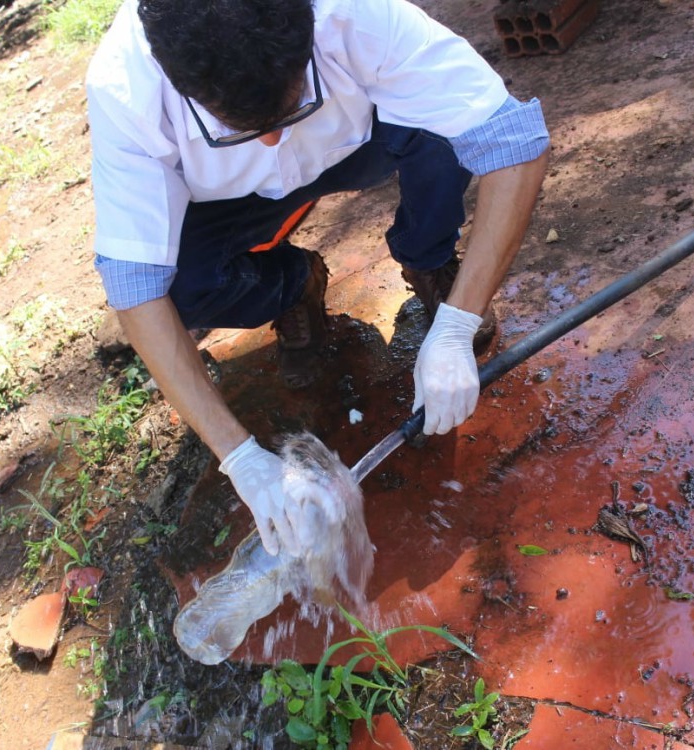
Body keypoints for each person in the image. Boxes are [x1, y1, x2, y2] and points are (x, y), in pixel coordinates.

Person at [86, 0, 549, 557]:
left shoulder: (355, 13)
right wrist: (240, 458)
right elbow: (135, 286)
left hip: (362, 146)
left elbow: (511, 139)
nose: (272, 143)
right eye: (234, 129)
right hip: (228, 203)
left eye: (290, 109)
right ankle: (292, 284)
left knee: (446, 128)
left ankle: (429, 259)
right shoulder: (127, 86)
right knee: (183, 290)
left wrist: (456, 324)